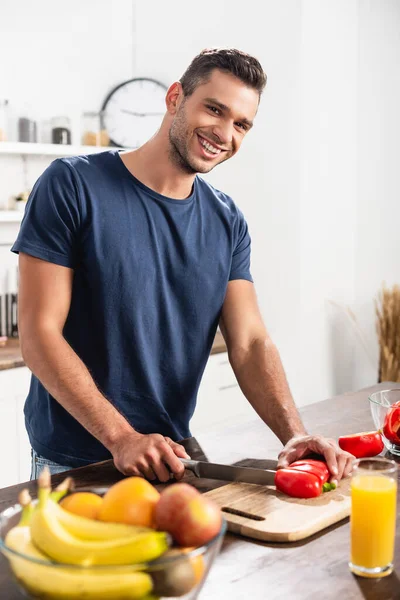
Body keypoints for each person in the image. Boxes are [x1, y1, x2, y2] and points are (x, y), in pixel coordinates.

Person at [12, 48, 353, 484]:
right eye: (214, 109)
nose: (224, 133)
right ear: (175, 98)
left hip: (170, 460)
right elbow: (40, 334)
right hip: (77, 465)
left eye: (241, 124)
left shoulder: (227, 221)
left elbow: (248, 343)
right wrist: (122, 437)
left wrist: (296, 435)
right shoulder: (72, 184)